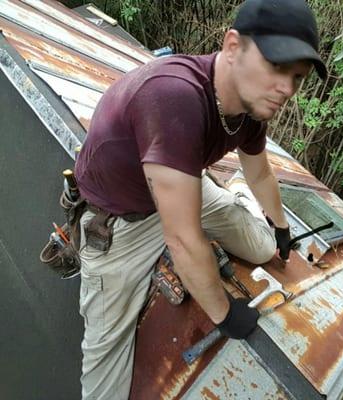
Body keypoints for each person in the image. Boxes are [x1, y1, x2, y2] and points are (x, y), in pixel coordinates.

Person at [74, 0, 327, 398]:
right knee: (106, 376)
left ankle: (235, 203)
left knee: (263, 249)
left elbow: (258, 171)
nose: (287, 89)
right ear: (231, 46)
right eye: (277, 66)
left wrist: (280, 226)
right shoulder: (175, 97)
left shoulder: (250, 108)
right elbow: (183, 240)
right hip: (123, 219)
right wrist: (225, 314)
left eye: (298, 77)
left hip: (183, 183)